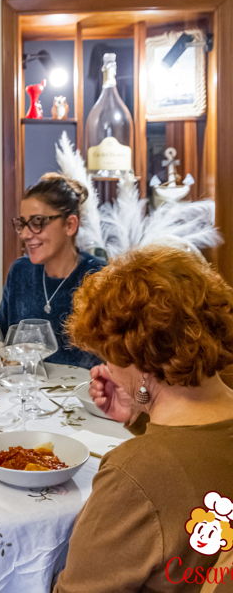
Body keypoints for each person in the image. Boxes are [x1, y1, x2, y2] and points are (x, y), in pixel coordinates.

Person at [52, 245, 233, 591]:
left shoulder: (133, 476)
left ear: (141, 360)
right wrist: (140, 414)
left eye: (108, 355)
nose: (105, 369)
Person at [0, 173, 104, 368]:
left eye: (38, 222)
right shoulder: (20, 271)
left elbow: (119, 360)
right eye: (22, 224)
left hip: (83, 396)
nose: (25, 234)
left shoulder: (101, 278)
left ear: (70, 225)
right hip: (22, 393)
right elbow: (2, 345)